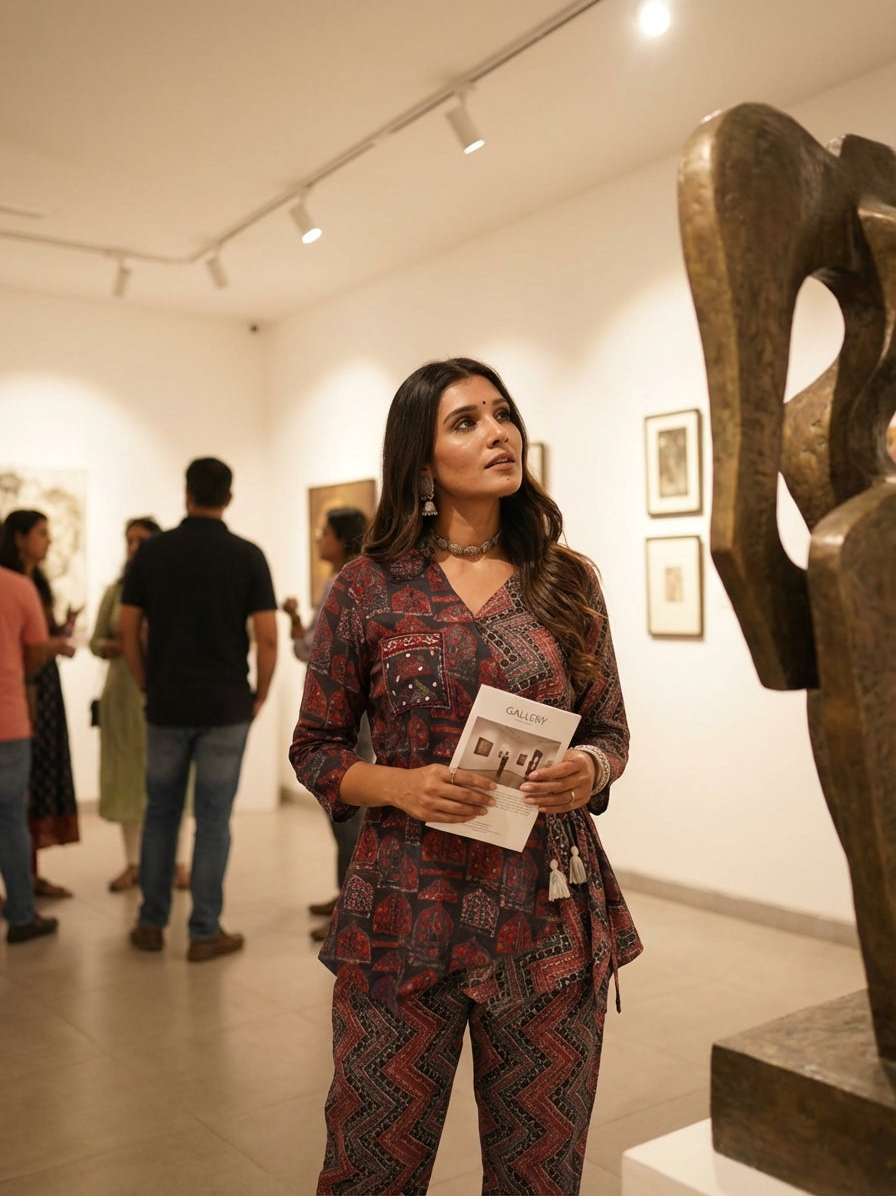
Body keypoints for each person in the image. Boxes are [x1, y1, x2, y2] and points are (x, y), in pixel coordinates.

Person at [290, 358, 643, 1196]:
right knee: (371, 1167)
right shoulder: (367, 589)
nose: (498, 433)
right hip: (404, 911)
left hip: (547, 916)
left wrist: (587, 769)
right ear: (420, 460)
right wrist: (399, 786)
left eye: (503, 414)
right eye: (466, 422)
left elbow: (611, 731)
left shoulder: (566, 579)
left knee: (540, 1173)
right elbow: (316, 747)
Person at [119, 457, 278, 962]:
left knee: (161, 813)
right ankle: (204, 931)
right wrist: (261, 693)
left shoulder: (151, 553)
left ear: (186, 493)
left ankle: (150, 922)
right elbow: (268, 637)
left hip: (166, 703)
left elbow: (127, 629)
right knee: (214, 820)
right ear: (228, 497)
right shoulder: (248, 556)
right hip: (226, 704)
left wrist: (147, 681)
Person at [89, 517, 193, 893]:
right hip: (122, 697)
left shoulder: (172, 586)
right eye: (129, 539)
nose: (135, 546)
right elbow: (95, 640)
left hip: (164, 692)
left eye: (142, 539)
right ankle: (133, 863)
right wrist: (114, 646)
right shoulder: (115, 592)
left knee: (174, 781)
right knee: (127, 781)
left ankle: (178, 863)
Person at [281, 506, 370, 940]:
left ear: (341, 538)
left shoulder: (347, 583)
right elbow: (313, 648)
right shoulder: (336, 582)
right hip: (343, 714)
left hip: (352, 717)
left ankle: (350, 906)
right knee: (343, 806)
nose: (318, 540)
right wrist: (297, 622)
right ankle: (344, 896)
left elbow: (317, 652)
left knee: (350, 808)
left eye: (323, 533)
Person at [0, 510, 80, 899]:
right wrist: (51, 645)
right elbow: (29, 651)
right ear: (19, 538)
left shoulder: (35, 585)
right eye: (42, 533)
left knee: (27, 793)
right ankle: (20, 894)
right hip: (19, 699)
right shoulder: (16, 585)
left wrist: (59, 633)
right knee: (14, 804)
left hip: (38, 694)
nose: (48, 541)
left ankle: (26, 879)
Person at [0, 562, 60, 942]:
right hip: (8, 717)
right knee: (10, 822)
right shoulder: (18, 587)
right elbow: (37, 651)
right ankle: (22, 915)